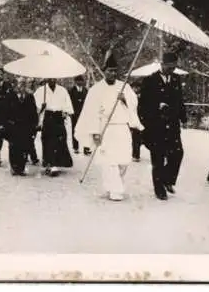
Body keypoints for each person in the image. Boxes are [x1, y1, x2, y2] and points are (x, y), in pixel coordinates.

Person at [75, 51, 143, 201]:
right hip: (106, 129)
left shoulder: (124, 86)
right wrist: (95, 132)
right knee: (109, 162)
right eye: (109, 71)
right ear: (104, 71)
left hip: (122, 128)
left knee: (123, 160)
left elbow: (134, 104)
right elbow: (90, 113)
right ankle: (116, 190)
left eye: (114, 71)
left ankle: (112, 185)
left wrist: (125, 99)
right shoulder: (96, 90)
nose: (112, 74)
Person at [138, 51, 187, 200]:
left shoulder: (176, 79)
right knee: (158, 158)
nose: (172, 70)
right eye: (169, 67)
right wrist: (156, 106)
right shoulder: (149, 80)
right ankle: (159, 188)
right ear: (162, 64)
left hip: (172, 125)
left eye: (174, 67)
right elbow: (142, 105)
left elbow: (180, 100)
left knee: (177, 154)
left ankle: (167, 179)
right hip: (156, 126)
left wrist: (183, 117)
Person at [34, 78, 74, 177]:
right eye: (50, 78)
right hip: (48, 116)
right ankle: (50, 164)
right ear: (47, 79)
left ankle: (56, 163)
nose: (52, 80)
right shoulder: (41, 91)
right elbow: (35, 106)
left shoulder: (62, 90)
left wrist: (66, 112)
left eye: (54, 78)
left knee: (59, 139)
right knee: (48, 140)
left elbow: (67, 104)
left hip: (58, 117)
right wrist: (41, 108)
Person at [6, 77, 39, 176]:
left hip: (26, 126)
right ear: (17, 85)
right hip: (14, 125)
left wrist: (34, 124)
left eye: (24, 84)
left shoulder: (30, 97)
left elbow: (33, 112)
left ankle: (21, 168)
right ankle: (14, 167)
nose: (22, 86)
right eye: (20, 84)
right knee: (13, 147)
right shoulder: (10, 96)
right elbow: (5, 110)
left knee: (24, 147)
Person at [68, 75, 91, 155]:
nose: (81, 82)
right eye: (79, 81)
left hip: (84, 113)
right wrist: (70, 112)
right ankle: (75, 147)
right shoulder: (71, 90)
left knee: (85, 131)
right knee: (75, 130)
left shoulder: (85, 90)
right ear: (76, 82)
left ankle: (86, 148)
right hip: (75, 113)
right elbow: (69, 102)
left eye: (82, 81)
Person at [130, 81, 143, 162]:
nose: (136, 89)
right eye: (135, 87)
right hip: (133, 119)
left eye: (138, 87)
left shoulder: (142, 96)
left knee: (137, 138)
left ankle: (136, 154)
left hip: (141, 119)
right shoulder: (130, 96)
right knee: (135, 138)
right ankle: (135, 154)